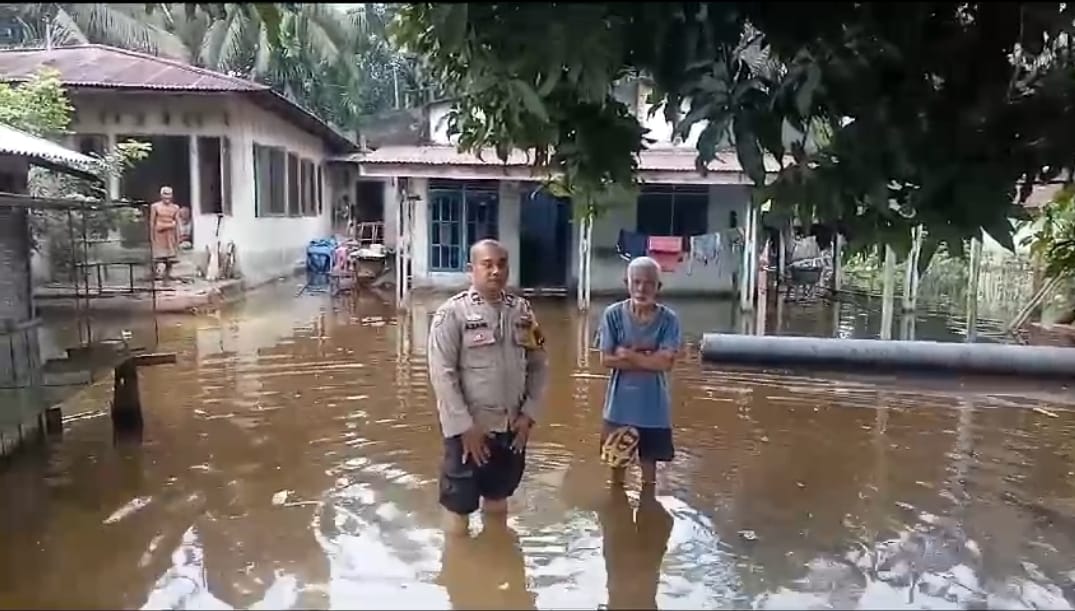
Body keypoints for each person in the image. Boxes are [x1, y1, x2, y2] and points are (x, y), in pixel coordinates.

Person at [427, 239, 549, 534]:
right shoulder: (451, 314)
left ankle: (495, 559)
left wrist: (529, 415)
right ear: (472, 269)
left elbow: (540, 364)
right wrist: (464, 427)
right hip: (469, 433)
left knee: (498, 500)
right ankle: (459, 572)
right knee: (459, 510)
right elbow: (442, 375)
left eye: (502, 264)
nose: (496, 271)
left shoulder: (523, 312)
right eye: (487, 264)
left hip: (510, 429)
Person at [597, 256, 683, 487]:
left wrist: (629, 355)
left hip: (653, 409)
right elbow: (606, 359)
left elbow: (666, 364)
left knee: (649, 479)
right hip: (619, 407)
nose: (641, 288)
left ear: (658, 287)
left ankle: (647, 515)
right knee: (615, 474)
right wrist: (649, 357)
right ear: (627, 283)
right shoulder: (612, 315)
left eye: (648, 283)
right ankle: (618, 516)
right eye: (636, 282)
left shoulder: (668, 320)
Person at [149, 186, 181, 280]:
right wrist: (152, 237)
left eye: (169, 194)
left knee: (170, 258)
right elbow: (152, 222)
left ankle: (168, 276)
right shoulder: (155, 206)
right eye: (165, 194)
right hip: (159, 234)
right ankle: (158, 275)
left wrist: (178, 237)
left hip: (170, 235)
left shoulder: (175, 207)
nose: (167, 197)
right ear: (161, 195)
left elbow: (177, 223)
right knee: (159, 258)